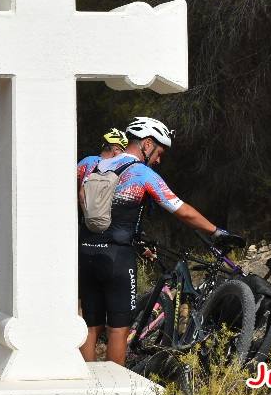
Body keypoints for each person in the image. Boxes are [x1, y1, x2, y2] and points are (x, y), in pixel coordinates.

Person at [78, 116, 244, 364]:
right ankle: (111, 393)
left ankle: (84, 385)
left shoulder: (90, 164)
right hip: (117, 259)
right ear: (146, 144)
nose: (158, 159)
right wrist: (217, 232)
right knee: (118, 329)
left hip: (84, 253)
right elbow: (182, 210)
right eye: (159, 152)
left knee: (90, 326)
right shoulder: (142, 174)